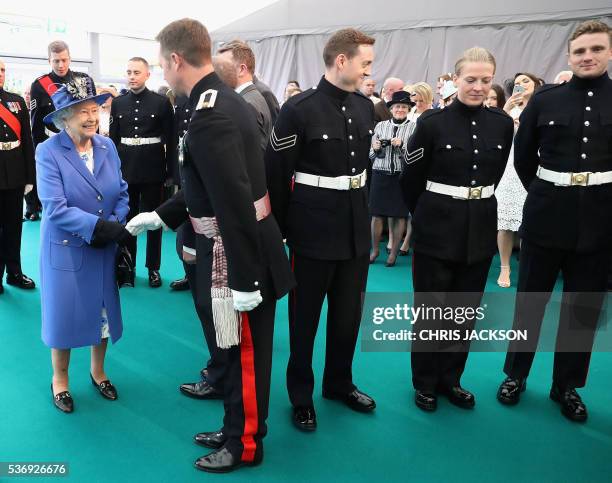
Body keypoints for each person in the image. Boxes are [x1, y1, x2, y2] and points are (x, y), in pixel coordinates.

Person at [127, 18, 294, 472]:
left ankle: (245, 444)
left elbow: (234, 202)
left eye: (162, 64)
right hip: (235, 243)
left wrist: (242, 278)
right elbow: (207, 185)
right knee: (236, 351)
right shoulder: (218, 101)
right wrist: (162, 214)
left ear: (176, 59)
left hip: (238, 252)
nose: (163, 73)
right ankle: (236, 424)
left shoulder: (211, 114)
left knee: (244, 355)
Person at [497, 20, 612, 423]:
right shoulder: (546, 100)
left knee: (582, 307)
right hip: (547, 214)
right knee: (531, 300)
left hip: (600, 219)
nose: (587, 57)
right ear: (569, 56)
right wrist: (549, 193)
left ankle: (567, 385)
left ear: (609, 53)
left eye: (596, 49)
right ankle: (516, 375)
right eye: (579, 51)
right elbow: (525, 156)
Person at [265, 28, 377, 432]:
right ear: (341, 60)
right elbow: (275, 173)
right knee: (305, 319)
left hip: (353, 231)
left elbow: (363, 172)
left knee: (348, 317)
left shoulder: (365, 108)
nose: (369, 69)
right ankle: (301, 395)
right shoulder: (299, 109)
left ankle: (339, 383)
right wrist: (282, 230)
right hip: (311, 232)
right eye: (365, 62)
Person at [400, 47, 513, 412]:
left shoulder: (501, 123)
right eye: (470, 79)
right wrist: (428, 216)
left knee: (464, 312)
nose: (478, 87)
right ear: (455, 79)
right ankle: (426, 383)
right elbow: (411, 180)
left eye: (485, 80)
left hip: (479, 227)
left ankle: (452, 379)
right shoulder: (431, 123)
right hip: (437, 226)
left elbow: (494, 175)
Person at [36, 78, 130, 413]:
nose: (92, 117)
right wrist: (99, 227)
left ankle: (98, 371)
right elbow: (54, 207)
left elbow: (121, 190)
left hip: (103, 246)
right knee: (65, 315)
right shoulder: (48, 152)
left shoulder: (107, 146)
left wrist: (116, 222)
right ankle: (59, 379)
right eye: (83, 112)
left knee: (102, 311)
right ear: (64, 119)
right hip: (66, 248)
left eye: (95, 110)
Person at [109, 57, 175, 288]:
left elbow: (172, 140)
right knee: (127, 219)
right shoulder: (118, 103)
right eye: (128, 72)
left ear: (147, 75)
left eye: (137, 72)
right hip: (126, 168)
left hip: (153, 169)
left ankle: (153, 268)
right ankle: (128, 266)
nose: (132, 76)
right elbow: (113, 141)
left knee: (154, 220)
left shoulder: (161, 102)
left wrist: (171, 172)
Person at [28, 40, 97, 221]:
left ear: (70, 58)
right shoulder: (39, 85)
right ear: (49, 60)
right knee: (60, 192)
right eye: (56, 61)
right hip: (55, 144)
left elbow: (92, 113)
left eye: (64, 60)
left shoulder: (84, 80)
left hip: (81, 142)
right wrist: (38, 152)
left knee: (84, 188)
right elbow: (36, 125)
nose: (61, 65)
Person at [495, 72, 540, 287]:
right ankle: (505, 267)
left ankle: (526, 265)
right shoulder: (509, 108)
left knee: (530, 222)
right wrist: (505, 113)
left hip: (533, 168)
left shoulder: (541, 109)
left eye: (526, 81)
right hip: (508, 169)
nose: (520, 84)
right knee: (504, 222)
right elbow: (495, 136)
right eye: (518, 82)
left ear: (537, 85)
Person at [0, 60, 36, 293]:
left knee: (14, 226)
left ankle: (14, 273)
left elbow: (27, 143)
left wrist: (30, 177)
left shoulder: (16, 101)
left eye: (2, 70)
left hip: (14, 171)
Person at [369, 90, 412, 267]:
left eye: (403, 106)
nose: (400, 109)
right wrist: (378, 148)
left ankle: (393, 253)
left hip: (401, 176)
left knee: (399, 215)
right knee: (376, 215)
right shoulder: (380, 127)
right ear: (391, 109)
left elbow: (414, 155)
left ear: (409, 109)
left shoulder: (414, 127)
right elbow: (371, 154)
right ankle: (375, 250)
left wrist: (402, 146)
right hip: (380, 173)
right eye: (397, 107)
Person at [216, 40, 273, 152]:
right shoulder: (249, 97)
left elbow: (254, 156)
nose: (218, 72)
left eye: (223, 66)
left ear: (241, 69)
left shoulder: (247, 104)